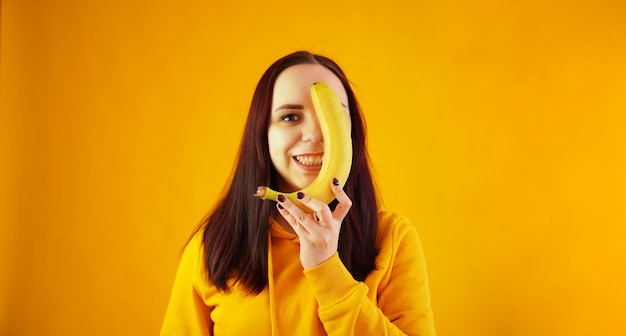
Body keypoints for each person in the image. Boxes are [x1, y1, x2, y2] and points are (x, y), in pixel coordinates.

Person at [160, 51, 436, 335]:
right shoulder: (212, 246)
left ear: (352, 131)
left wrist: (328, 271)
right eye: (290, 117)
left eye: (332, 116)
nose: (314, 135)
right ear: (263, 133)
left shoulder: (393, 239)